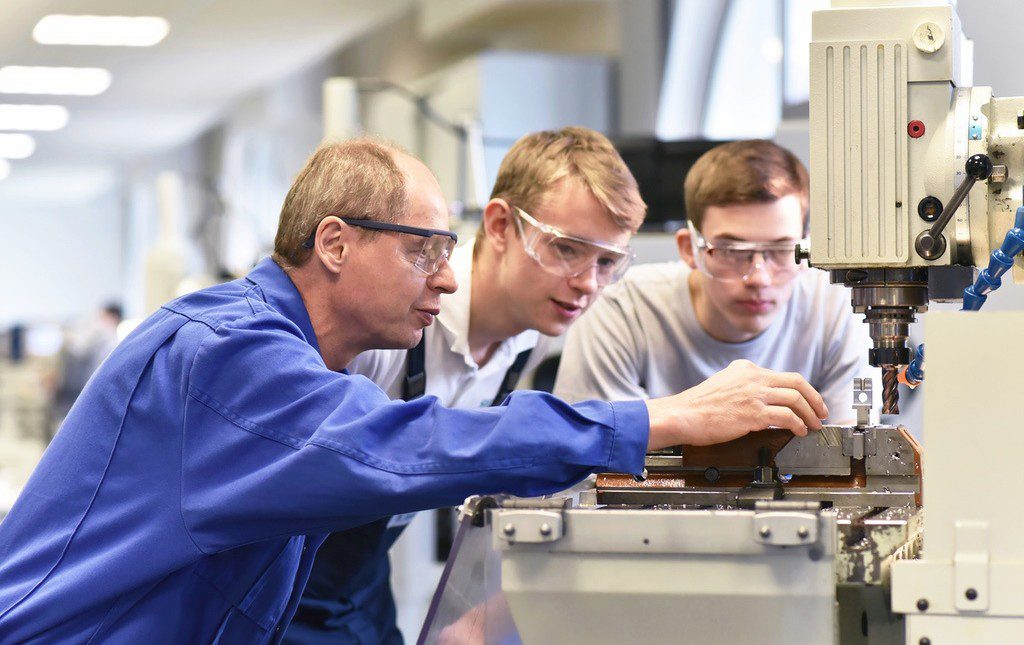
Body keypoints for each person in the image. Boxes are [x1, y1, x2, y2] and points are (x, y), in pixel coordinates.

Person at [0, 138, 827, 644]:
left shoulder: (269, 340)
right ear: (335, 243)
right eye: (423, 251)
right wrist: (662, 418)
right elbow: (398, 444)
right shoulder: (232, 354)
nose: (445, 278)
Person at [286, 127, 647, 643]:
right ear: (500, 225)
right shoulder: (389, 320)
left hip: (360, 582)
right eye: (567, 249)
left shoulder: (532, 335)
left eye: (607, 262)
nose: (587, 283)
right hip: (284, 578)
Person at [554, 139, 870, 422]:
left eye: (782, 250)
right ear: (689, 249)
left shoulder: (837, 308)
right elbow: (593, 459)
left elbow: (854, 454)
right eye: (731, 251)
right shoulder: (622, 309)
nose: (758, 277)